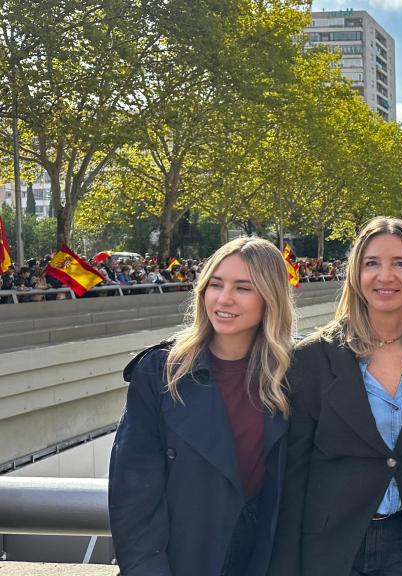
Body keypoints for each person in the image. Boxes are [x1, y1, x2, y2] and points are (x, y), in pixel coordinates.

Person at [269, 217, 402, 576]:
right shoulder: (311, 359)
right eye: (371, 263)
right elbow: (292, 476)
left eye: (400, 264)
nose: (384, 276)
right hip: (330, 547)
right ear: (356, 277)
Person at [108, 236, 296, 576]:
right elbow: (133, 493)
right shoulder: (161, 371)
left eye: (243, 288)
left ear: (270, 297)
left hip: (265, 560)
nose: (224, 299)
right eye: (215, 284)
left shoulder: (294, 373)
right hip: (184, 560)